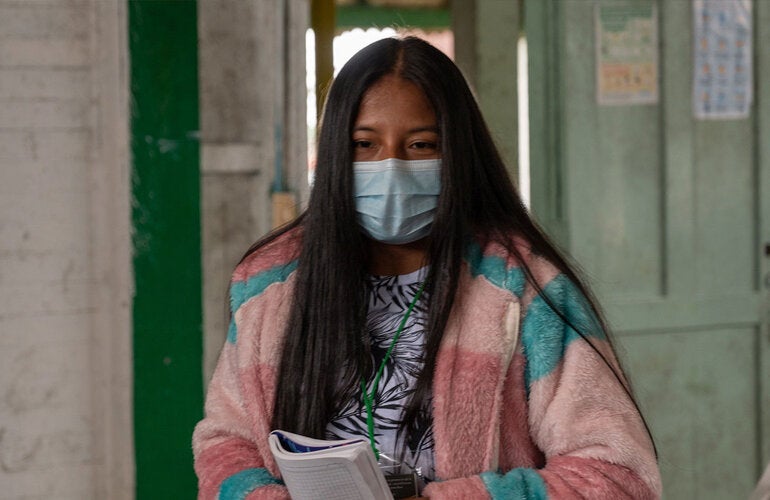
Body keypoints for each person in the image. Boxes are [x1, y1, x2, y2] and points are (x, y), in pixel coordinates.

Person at [193, 36, 662, 499]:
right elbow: (226, 444)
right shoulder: (270, 285)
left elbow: (616, 474)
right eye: (364, 144)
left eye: (420, 145)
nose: (391, 168)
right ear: (336, 151)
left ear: (457, 153)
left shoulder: (523, 290)